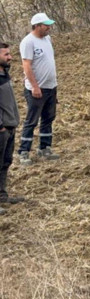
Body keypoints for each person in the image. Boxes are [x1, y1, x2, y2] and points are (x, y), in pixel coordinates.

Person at [18, 13, 60, 166]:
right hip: (36, 89)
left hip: (50, 87)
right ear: (37, 26)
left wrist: (54, 85)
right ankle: (24, 151)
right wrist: (35, 86)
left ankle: (45, 147)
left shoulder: (47, 39)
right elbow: (27, 66)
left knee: (48, 118)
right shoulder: (28, 42)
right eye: (46, 25)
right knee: (32, 120)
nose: (49, 27)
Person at [0, 42, 22, 213]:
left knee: (5, 162)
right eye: (6, 54)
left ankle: (2, 195)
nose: (10, 57)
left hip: (10, 126)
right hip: (2, 129)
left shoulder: (4, 74)